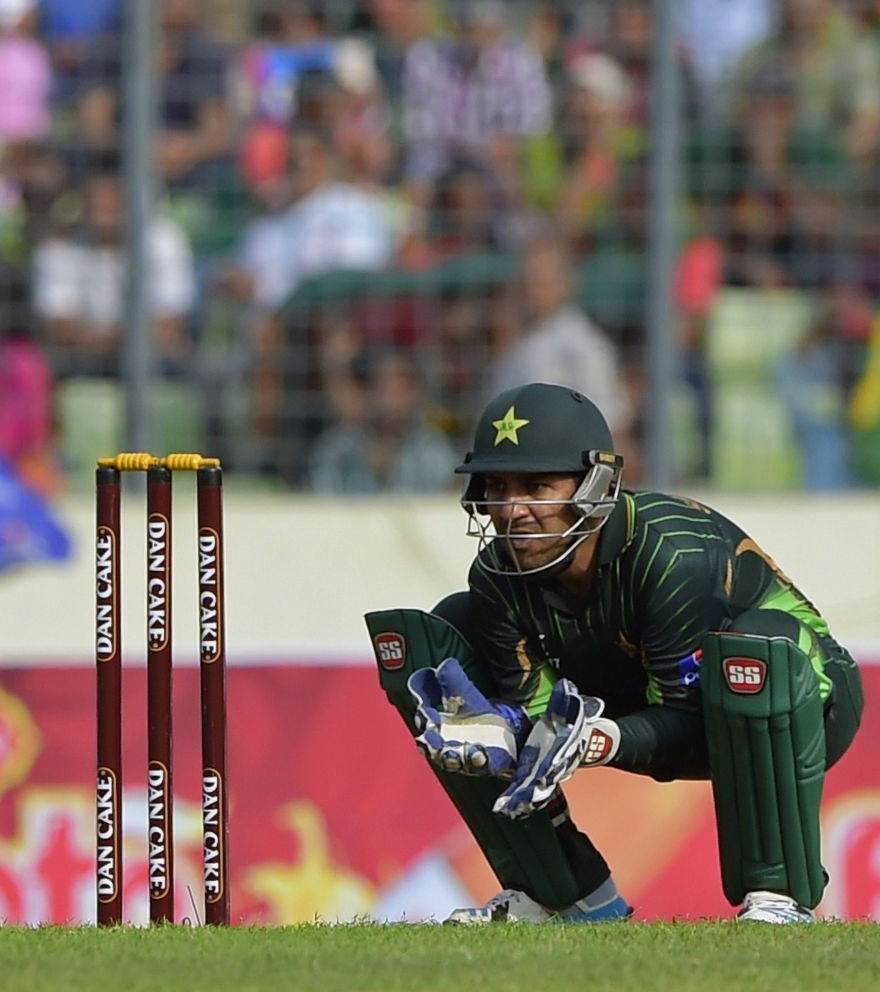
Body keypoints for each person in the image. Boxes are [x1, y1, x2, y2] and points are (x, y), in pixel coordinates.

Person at [366, 382, 863, 924]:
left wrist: (597, 738)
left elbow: (685, 721)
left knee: (754, 651)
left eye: (538, 487)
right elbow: (540, 714)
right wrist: (500, 733)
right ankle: (564, 897)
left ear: (596, 486)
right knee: (434, 648)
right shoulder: (496, 576)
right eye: (498, 487)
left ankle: (780, 896)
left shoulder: (671, 553)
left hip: (796, 705)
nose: (512, 510)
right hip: (630, 702)